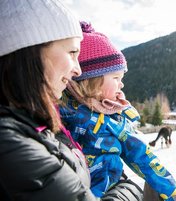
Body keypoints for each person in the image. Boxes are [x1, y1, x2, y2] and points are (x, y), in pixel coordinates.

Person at [0, 0, 142, 200]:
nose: (78, 70)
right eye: (72, 52)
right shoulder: (11, 141)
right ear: (31, 52)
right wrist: (128, 189)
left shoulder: (39, 123)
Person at [60, 21, 176, 201]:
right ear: (90, 81)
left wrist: (170, 191)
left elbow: (142, 156)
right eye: (116, 77)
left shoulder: (116, 119)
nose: (121, 84)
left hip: (108, 191)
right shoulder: (61, 110)